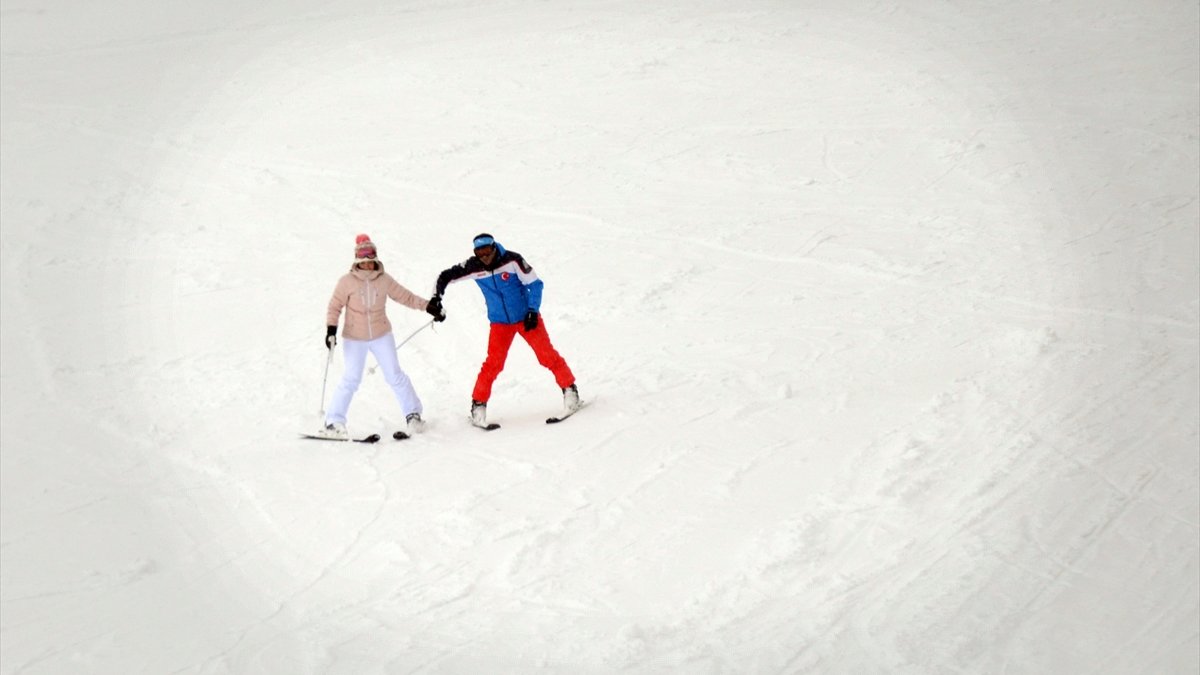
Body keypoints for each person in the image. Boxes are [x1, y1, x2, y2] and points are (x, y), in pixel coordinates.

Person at [428, 233, 579, 426]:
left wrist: (533, 310)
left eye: (487, 250)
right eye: (479, 252)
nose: (484, 256)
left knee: (546, 355)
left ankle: (570, 390)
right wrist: (436, 298)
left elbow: (535, 284)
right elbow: (445, 276)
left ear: (494, 247)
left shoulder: (512, 260)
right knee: (493, 363)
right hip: (500, 323)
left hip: (526, 317)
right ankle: (478, 405)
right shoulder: (473, 266)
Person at [319, 234, 446, 439]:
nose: (368, 264)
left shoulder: (384, 280)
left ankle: (413, 415)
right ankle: (334, 422)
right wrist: (331, 330)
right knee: (351, 378)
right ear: (357, 261)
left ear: (376, 259)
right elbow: (335, 306)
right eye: (363, 261)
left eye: (371, 260)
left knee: (394, 374)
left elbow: (406, 297)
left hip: (381, 334)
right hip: (354, 337)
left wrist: (429, 307)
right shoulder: (346, 282)